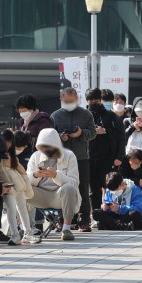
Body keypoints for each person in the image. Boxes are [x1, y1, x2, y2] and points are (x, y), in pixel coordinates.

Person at [51, 87, 96, 232]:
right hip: (62, 158)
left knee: (83, 188)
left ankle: (84, 221)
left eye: (72, 101)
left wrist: (80, 133)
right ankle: (63, 220)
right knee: (62, 187)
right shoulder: (55, 116)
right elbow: (49, 136)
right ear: (61, 99)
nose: (69, 103)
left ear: (77, 99)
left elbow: (93, 133)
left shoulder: (86, 114)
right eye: (66, 101)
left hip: (81, 157)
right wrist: (59, 136)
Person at [26, 128, 81, 241]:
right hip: (40, 195)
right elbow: (26, 181)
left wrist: (56, 175)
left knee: (69, 188)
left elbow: (75, 183)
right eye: (42, 147)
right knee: (21, 189)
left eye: (47, 146)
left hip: (59, 195)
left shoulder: (69, 155)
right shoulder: (35, 156)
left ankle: (66, 229)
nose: (45, 149)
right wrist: (36, 175)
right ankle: (25, 228)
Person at [0, 130, 37, 244]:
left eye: (9, 141)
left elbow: (22, 171)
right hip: (7, 186)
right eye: (6, 141)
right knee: (11, 209)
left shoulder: (12, 156)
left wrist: (26, 185)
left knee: (22, 209)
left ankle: (27, 233)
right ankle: (15, 235)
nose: (7, 144)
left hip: (18, 185)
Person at [86, 88, 124, 211]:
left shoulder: (111, 115)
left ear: (100, 100)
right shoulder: (83, 115)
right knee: (93, 188)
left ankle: (111, 211)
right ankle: (96, 214)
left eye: (96, 100)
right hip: (89, 157)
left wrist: (105, 131)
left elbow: (120, 137)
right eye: (91, 100)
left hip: (108, 157)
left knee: (109, 186)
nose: (94, 103)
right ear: (87, 101)